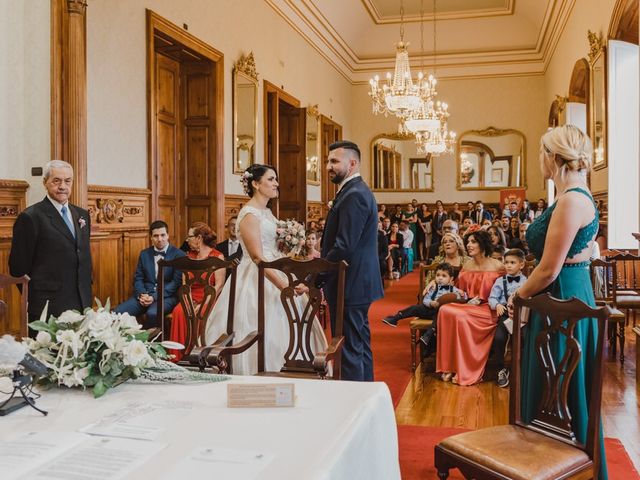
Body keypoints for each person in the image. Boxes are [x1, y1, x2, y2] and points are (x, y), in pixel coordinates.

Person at [508, 125, 607, 479]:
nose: (539, 159)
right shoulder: (575, 196)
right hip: (565, 293)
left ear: (552, 157)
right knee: (559, 382)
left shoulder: (571, 201)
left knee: (560, 386)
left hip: (561, 300)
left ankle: (559, 464)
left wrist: (517, 296)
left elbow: (549, 269)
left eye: (540, 152)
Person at [204, 164, 327, 374]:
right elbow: (257, 258)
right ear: (255, 184)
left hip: (277, 269)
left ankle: (297, 369)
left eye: (276, 179)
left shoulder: (267, 212)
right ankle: (259, 373)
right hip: (257, 278)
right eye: (271, 179)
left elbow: (276, 250)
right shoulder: (250, 214)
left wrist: (290, 247)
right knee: (260, 325)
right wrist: (283, 286)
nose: (276, 184)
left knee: (292, 324)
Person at [321, 140, 384, 382]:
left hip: (350, 281)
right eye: (328, 161)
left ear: (353, 163)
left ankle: (356, 399)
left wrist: (319, 274)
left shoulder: (354, 194)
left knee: (349, 346)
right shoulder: (353, 191)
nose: (329, 166)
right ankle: (366, 392)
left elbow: (345, 245)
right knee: (358, 342)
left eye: (335, 161)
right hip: (356, 280)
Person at [9, 160, 93, 321]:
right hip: (48, 306)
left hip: (82, 301)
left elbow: (82, 254)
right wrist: (36, 296)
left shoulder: (82, 215)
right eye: (56, 180)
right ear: (45, 182)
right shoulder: (31, 217)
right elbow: (17, 267)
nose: (62, 186)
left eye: (67, 181)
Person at [436, 230, 504, 385]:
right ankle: (449, 366)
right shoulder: (467, 265)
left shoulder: (498, 265)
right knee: (445, 310)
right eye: (468, 242)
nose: (469, 245)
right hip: (469, 305)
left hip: (489, 308)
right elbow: (460, 291)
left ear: (483, 244)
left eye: (473, 241)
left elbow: (506, 290)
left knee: (460, 316)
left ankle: (464, 369)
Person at [168, 222, 225, 362]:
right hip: (190, 296)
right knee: (179, 311)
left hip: (210, 297)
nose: (187, 240)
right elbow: (184, 284)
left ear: (199, 238)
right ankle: (179, 356)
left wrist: (204, 302)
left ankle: (199, 354)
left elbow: (219, 285)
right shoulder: (189, 256)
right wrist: (188, 301)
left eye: (189, 237)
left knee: (201, 313)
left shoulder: (217, 257)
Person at [115, 220, 186, 328]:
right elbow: (138, 278)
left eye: (163, 235)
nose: (160, 239)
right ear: (151, 238)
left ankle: (151, 344)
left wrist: (154, 297)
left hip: (166, 297)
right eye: (156, 236)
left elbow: (175, 283)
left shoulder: (179, 255)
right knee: (118, 312)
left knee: (152, 314)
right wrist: (142, 294)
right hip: (144, 296)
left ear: (168, 236)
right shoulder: (144, 254)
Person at [382, 262, 465, 328]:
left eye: (444, 276)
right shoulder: (433, 288)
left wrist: (462, 294)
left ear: (450, 279)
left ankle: (428, 336)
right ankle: (395, 318)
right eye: (438, 275)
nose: (440, 278)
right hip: (429, 310)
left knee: (439, 314)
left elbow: (462, 298)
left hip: (442, 313)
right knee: (414, 308)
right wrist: (431, 303)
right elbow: (425, 299)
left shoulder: (453, 289)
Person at [487, 248, 526, 388]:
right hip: (504, 315)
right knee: (498, 338)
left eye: (512, 262)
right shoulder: (499, 281)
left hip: (520, 316)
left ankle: (520, 369)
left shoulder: (526, 281)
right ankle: (501, 369)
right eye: (506, 262)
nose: (508, 265)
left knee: (523, 338)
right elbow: (492, 297)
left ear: (521, 264)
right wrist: (496, 304)